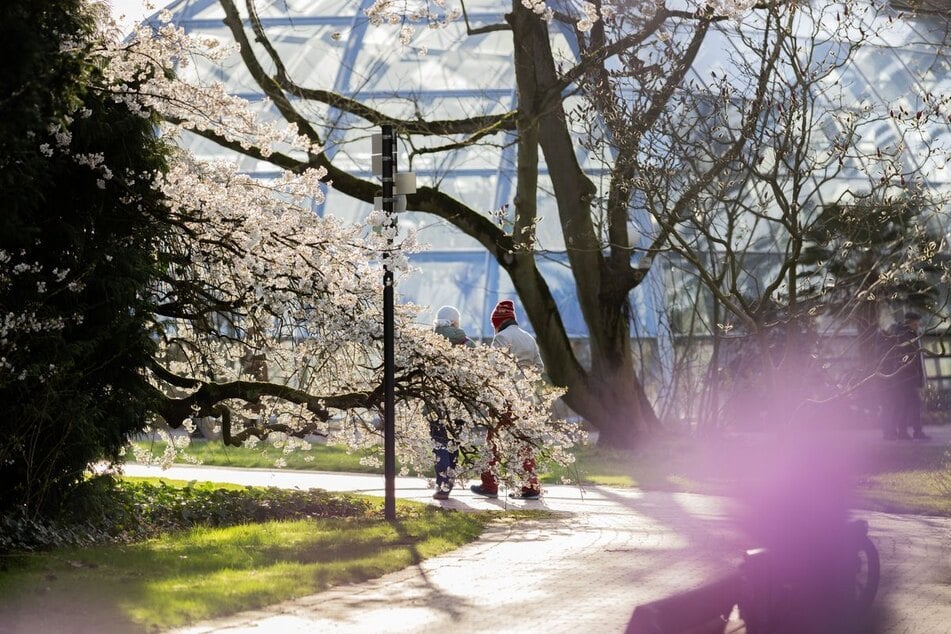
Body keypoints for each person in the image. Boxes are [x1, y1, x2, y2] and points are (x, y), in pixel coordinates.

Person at [470, 299, 544, 500]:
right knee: (523, 442)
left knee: (492, 441)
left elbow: (496, 368)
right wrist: (525, 377)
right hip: (526, 399)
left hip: (506, 398)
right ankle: (530, 486)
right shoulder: (529, 338)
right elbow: (539, 367)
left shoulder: (501, 338)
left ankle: (489, 485)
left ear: (498, 321)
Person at [430, 305, 474, 500]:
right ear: (456, 322)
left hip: (435, 400)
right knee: (454, 442)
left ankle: (443, 483)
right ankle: (448, 482)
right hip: (460, 402)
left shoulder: (428, 342)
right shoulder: (467, 343)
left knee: (439, 441)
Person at [881, 311, 930, 441]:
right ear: (909, 322)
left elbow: (916, 358)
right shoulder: (904, 335)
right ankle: (914, 432)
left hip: (907, 377)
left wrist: (919, 378)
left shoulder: (911, 334)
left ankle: (902, 432)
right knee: (912, 403)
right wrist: (908, 364)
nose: (917, 324)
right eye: (916, 322)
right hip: (904, 377)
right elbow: (904, 356)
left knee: (904, 404)